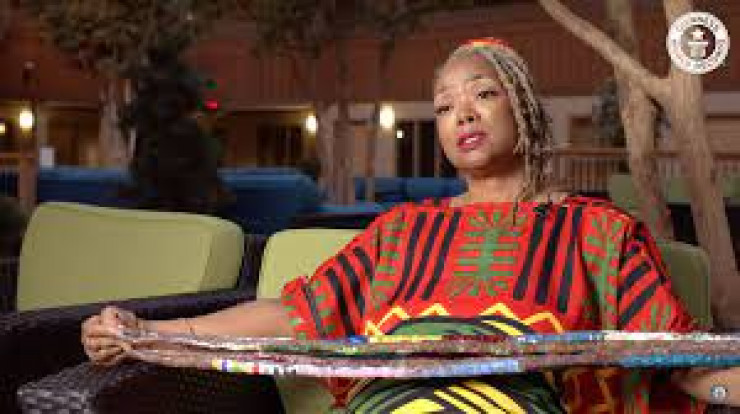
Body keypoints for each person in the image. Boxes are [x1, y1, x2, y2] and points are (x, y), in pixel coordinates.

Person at [82, 38, 739, 412]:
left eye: (483, 93)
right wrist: (149, 332)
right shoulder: (402, 231)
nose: (463, 115)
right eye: (445, 107)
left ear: (524, 108)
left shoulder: (596, 230)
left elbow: (680, 364)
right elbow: (296, 313)